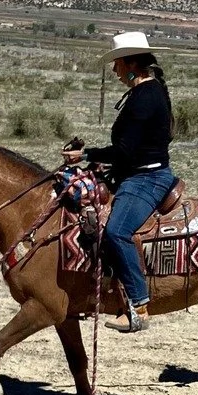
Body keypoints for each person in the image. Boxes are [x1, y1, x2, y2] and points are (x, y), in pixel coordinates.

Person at [62, 31, 175, 333]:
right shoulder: (146, 92)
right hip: (137, 172)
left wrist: (85, 155)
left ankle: (138, 306)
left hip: (146, 178)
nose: (114, 71)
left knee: (117, 231)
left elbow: (125, 150)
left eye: (117, 64)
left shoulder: (144, 97)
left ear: (130, 64)